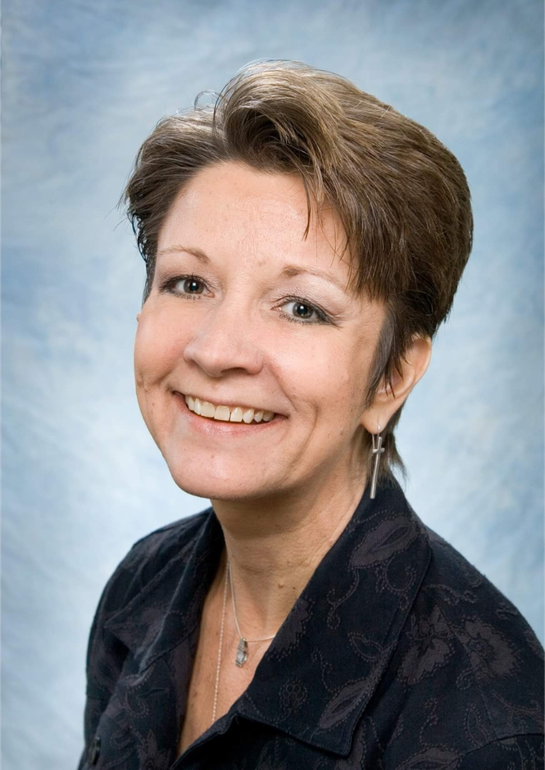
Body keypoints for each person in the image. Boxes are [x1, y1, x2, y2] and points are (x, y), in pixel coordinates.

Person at [77, 60, 545, 769]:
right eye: (189, 282)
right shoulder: (141, 591)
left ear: (391, 375)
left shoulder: (481, 721)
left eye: (301, 307)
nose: (216, 350)